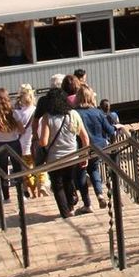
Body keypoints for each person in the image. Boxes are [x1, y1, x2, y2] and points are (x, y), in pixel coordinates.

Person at [38, 89, 90, 219]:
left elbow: (44, 142)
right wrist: (84, 155)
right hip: (72, 156)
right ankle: (71, 207)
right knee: (68, 181)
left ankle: (65, 213)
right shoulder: (73, 114)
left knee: (57, 185)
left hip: (54, 158)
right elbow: (85, 138)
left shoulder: (47, 117)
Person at [74, 85, 117, 210]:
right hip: (99, 147)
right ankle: (99, 194)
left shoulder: (75, 113)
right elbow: (109, 130)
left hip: (81, 148)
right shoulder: (98, 112)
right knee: (94, 169)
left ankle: (87, 204)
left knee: (81, 174)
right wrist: (117, 127)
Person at [0, 88, 27, 198]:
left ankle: (6, 196)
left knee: (1, 172)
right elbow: (22, 130)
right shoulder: (15, 113)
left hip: (0, 145)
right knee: (18, 170)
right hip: (14, 143)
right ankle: (20, 194)